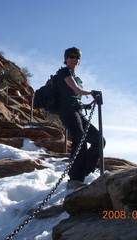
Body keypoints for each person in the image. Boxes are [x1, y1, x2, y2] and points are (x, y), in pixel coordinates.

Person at [56, 47, 106, 189]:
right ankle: (75, 179)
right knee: (80, 140)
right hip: (67, 112)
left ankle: (84, 172)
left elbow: (74, 96)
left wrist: (85, 106)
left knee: (99, 141)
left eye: (77, 57)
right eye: (71, 56)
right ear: (66, 59)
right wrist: (92, 92)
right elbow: (76, 90)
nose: (74, 59)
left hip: (77, 111)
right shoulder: (64, 72)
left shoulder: (77, 78)